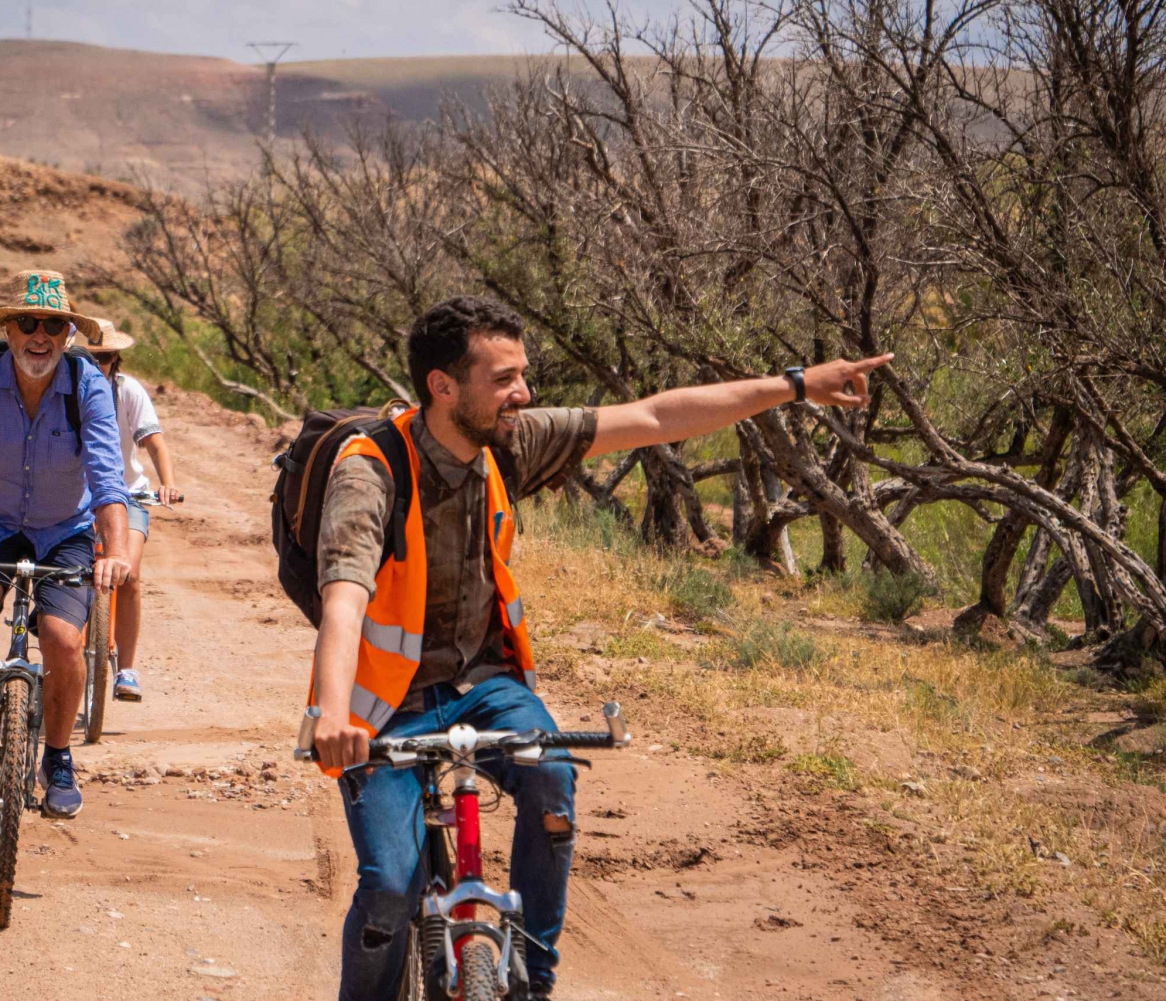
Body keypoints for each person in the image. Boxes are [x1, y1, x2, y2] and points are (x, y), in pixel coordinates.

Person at [310, 295, 893, 1000]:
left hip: (483, 685)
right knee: (389, 887)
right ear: (443, 386)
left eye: (523, 375)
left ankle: (531, 982)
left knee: (552, 778)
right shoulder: (370, 471)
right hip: (382, 706)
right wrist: (332, 717)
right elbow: (344, 597)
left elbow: (654, 417)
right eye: (504, 379)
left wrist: (796, 385)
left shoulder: (510, 442)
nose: (525, 394)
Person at [0, 269, 133, 819]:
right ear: (8, 330)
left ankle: (58, 759)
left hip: (64, 529)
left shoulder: (88, 387)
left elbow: (108, 481)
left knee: (62, 638)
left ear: (68, 335)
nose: (40, 336)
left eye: (53, 326)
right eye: (28, 323)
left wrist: (116, 554)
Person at [79, 316, 183, 702]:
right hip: (76, 500)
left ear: (116, 359)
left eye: (105, 358)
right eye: (89, 358)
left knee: (130, 574)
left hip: (127, 496)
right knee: (59, 575)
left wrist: (167, 482)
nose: (98, 365)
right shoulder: (62, 391)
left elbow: (154, 442)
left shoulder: (128, 391)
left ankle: (126, 669)